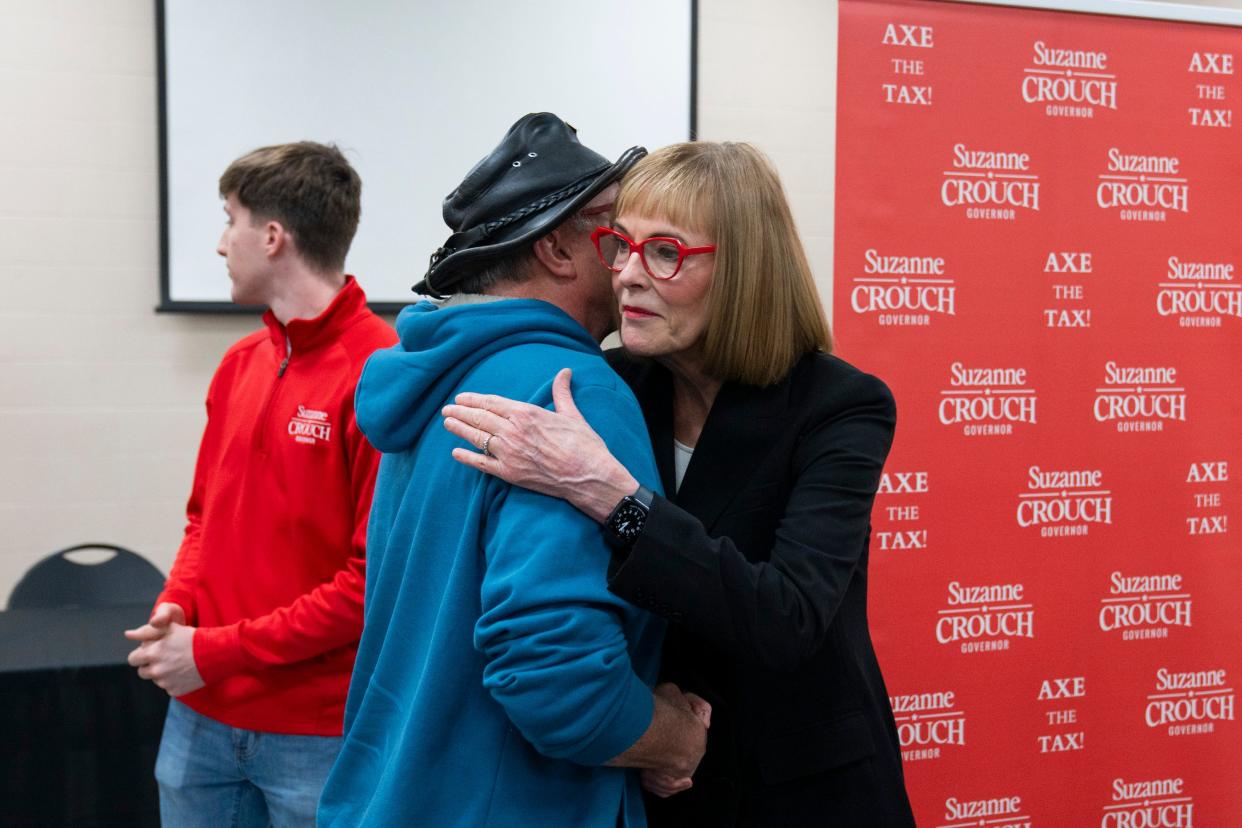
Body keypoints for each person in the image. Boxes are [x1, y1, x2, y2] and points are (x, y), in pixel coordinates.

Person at [442, 141, 917, 826]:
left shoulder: (839, 405)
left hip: (805, 789)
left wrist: (613, 498)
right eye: (620, 245)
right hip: (667, 776)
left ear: (746, 272)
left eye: (664, 252)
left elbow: (785, 617)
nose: (628, 276)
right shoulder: (614, 384)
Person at [317, 113, 710, 828]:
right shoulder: (572, 388)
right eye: (613, 230)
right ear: (559, 248)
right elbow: (559, 680)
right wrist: (675, 738)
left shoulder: (433, 378)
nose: (630, 258)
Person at [123, 141, 397, 826]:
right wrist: (177, 605)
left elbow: (369, 586)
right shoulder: (238, 364)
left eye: (229, 220)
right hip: (200, 718)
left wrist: (214, 652)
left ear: (273, 237)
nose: (221, 244)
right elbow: (201, 522)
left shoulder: (383, 375)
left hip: (317, 734)